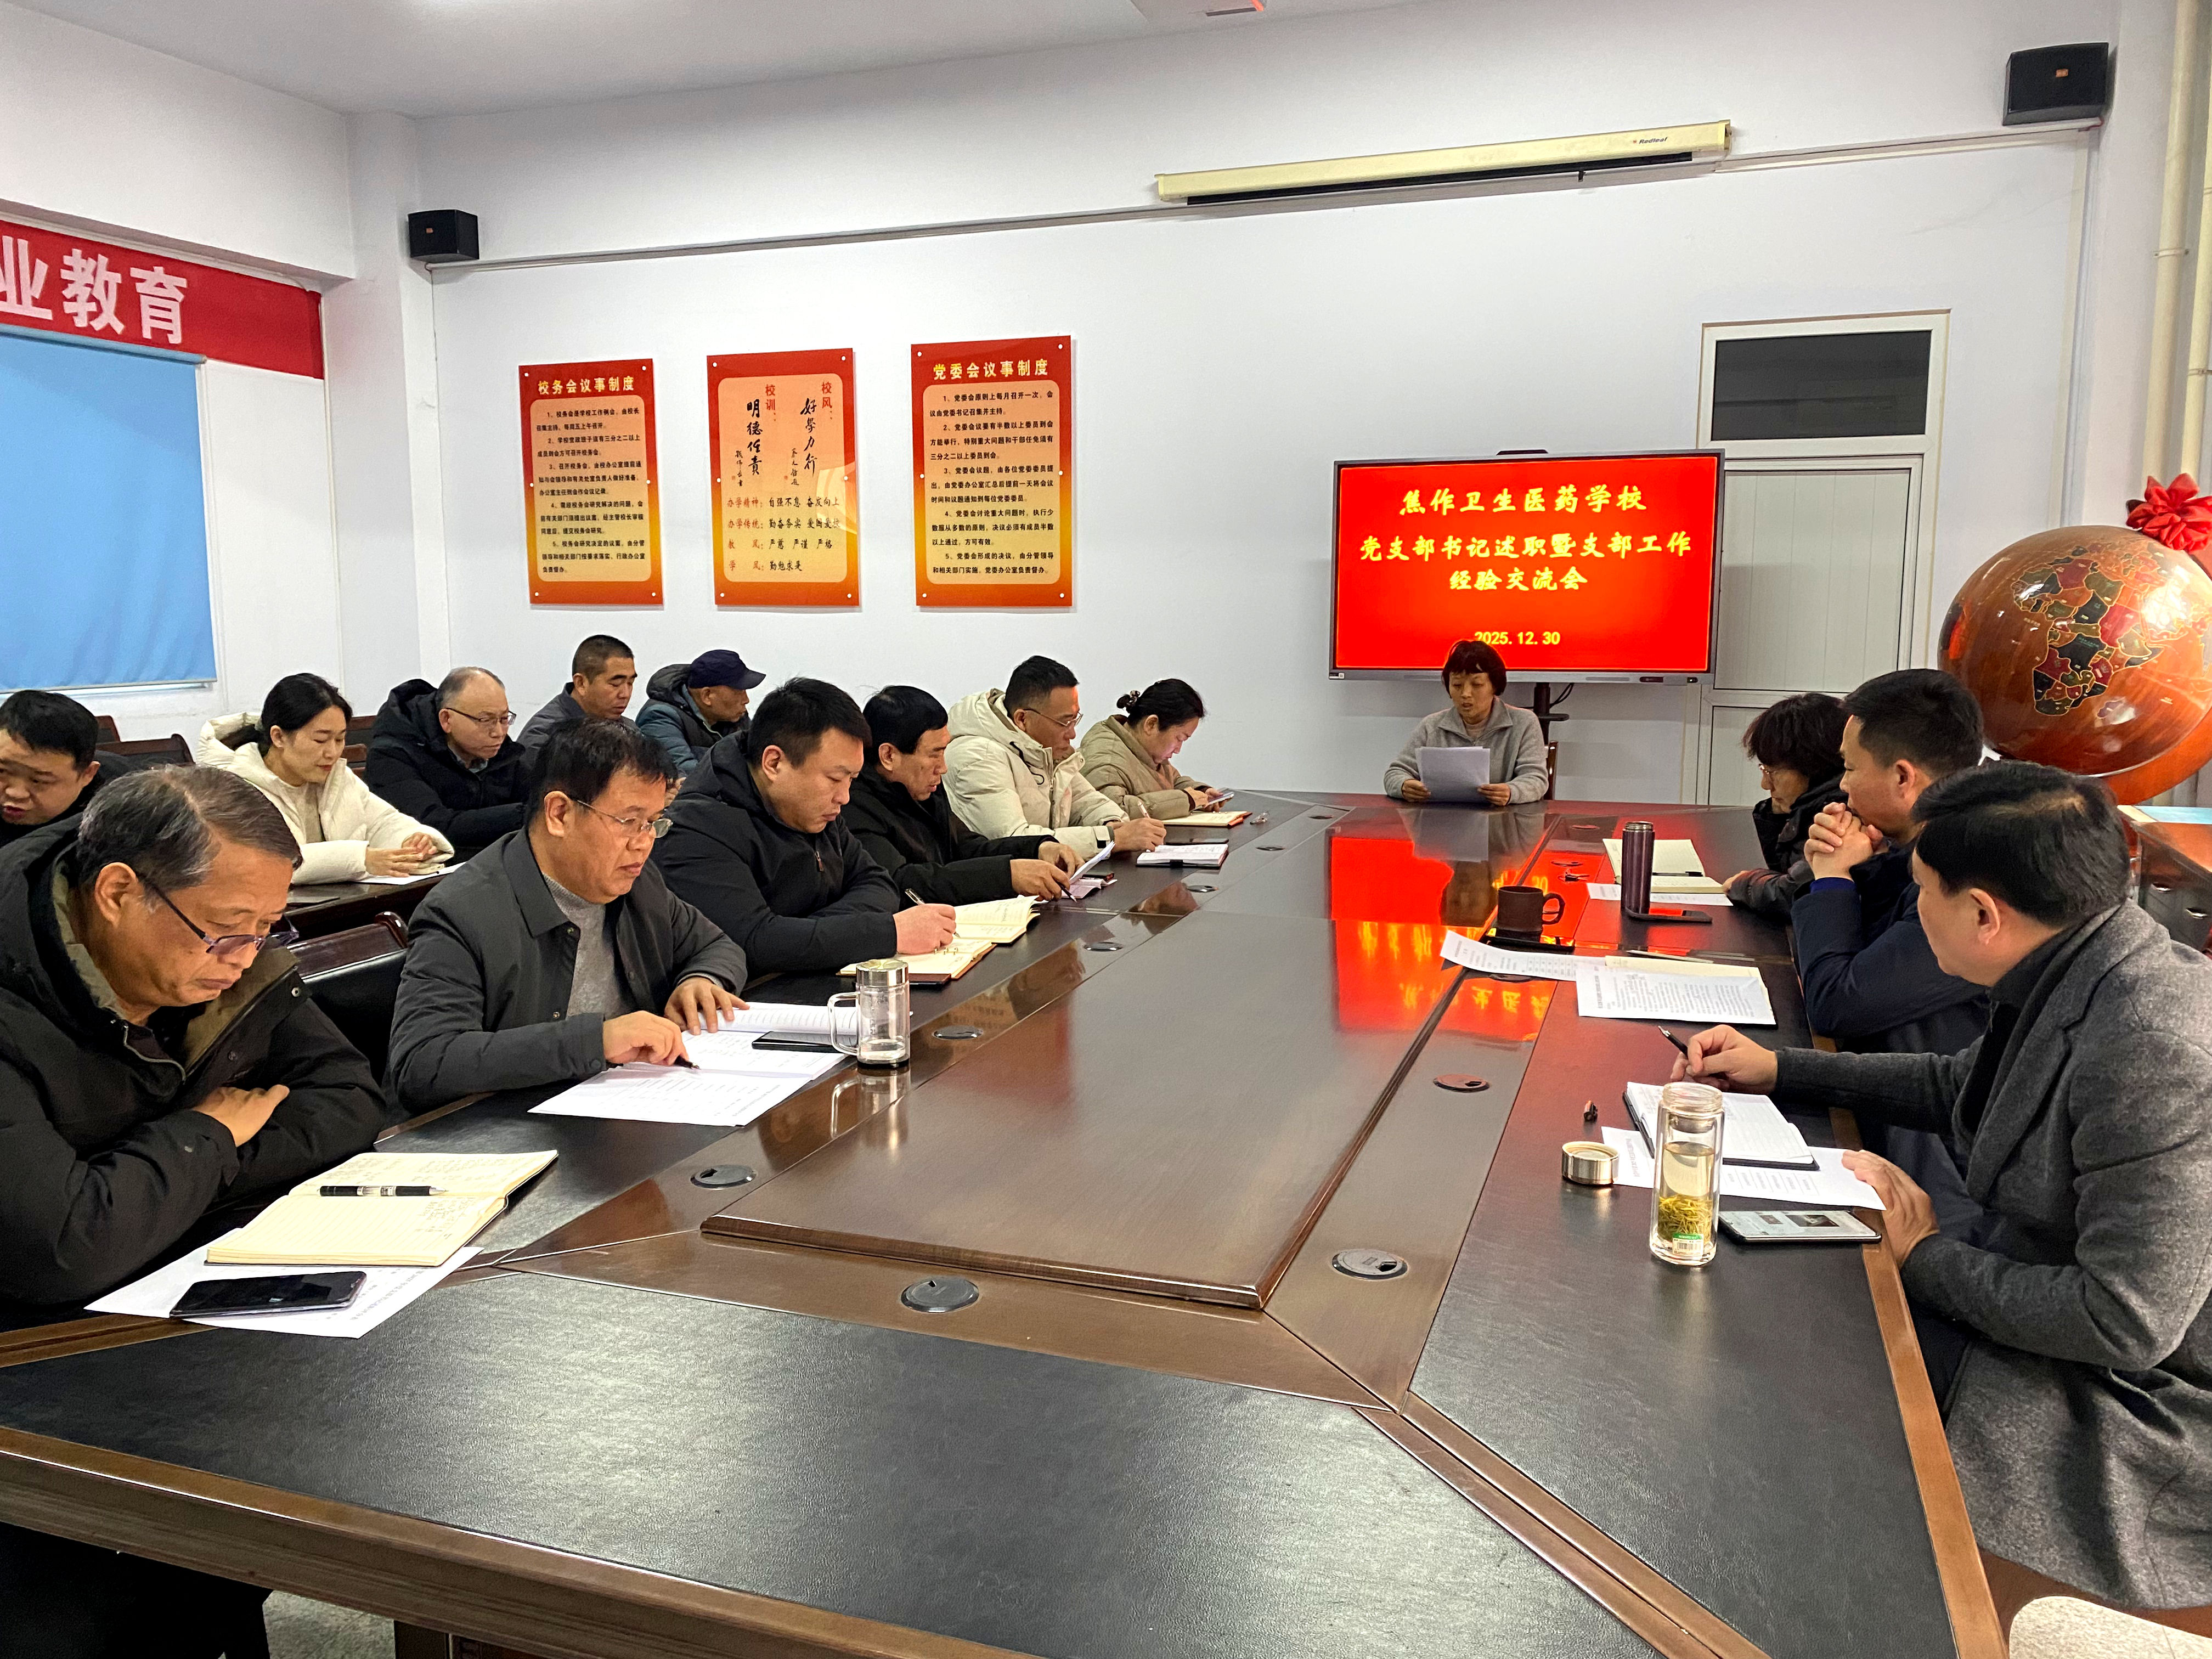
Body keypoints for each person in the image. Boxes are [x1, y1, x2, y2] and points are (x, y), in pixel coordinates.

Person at [1671, 763, 2212, 1612]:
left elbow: (2124, 1321)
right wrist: (1780, 1068)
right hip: (2053, 1323)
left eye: (1923, 891)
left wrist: (1924, 1257)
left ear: (1985, 914)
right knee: (1792, 1316)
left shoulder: (2152, 1049)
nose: (1914, 909)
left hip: (2132, 1408)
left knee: (1807, 1358)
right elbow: (1963, 1085)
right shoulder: (2081, 960)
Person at [0, 765, 385, 1654]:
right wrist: (203, 1135)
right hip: (37, 1383)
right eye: (225, 930)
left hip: (176, 1325)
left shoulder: (227, 961)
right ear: (116, 892)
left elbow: (351, 1098)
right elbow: (65, 1244)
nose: (245, 956)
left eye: (267, 928)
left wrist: (164, 1173)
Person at [387, 720, 750, 1110]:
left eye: (653, 823)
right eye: (629, 822)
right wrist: (595, 1041)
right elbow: (423, 1063)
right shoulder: (461, 912)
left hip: (641, 1102)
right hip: (522, 1125)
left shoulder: (636, 883)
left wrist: (702, 979)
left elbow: (716, 945)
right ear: (559, 813)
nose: (644, 843)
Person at [658, 678, 958, 973]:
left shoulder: (817, 808)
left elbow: (878, 883)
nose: (845, 797)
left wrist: (806, 934)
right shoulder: (697, 829)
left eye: (852, 779)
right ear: (774, 763)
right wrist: (886, 933)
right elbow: (752, 944)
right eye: (835, 779)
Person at [1793, 669, 1987, 1057]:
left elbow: (1837, 1005)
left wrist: (1833, 877)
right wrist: (1859, 866)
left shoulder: (1966, 876)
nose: (1843, 785)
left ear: (1902, 778)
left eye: (1850, 768)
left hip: (1917, 1090)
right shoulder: (1927, 843)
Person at [198, 674, 452, 886]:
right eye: (320, 740)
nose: (333, 752)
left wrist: (412, 840)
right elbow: (279, 861)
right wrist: (363, 859)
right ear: (279, 737)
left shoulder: (336, 777)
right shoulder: (237, 788)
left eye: (340, 739)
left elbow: (382, 821)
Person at [847, 685, 1081, 904]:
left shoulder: (925, 789)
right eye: (934, 754)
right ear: (889, 756)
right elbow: (901, 882)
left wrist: (1037, 848)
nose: (943, 768)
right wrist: (1007, 876)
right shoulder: (853, 805)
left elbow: (966, 848)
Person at [943, 657, 1167, 859]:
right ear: (1022, 719)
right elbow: (1014, 840)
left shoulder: (1044, 748)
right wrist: (1110, 839)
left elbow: (1089, 802)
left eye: (1075, 719)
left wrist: (1112, 823)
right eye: (1064, 722)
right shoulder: (977, 757)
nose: (1073, 733)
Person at [363, 667, 532, 859]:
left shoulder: (500, 750)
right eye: (486, 720)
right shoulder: (393, 754)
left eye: (504, 719)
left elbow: (539, 797)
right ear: (447, 719)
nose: (499, 732)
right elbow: (433, 827)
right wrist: (526, 815)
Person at [1722, 692, 1848, 919]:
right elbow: (1781, 870)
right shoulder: (1811, 806)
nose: (1765, 784)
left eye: (1772, 772)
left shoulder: (1840, 814)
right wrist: (1776, 816)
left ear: (1813, 764)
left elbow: (1795, 893)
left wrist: (1745, 884)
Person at [1383, 639, 1549, 805]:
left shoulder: (1524, 723)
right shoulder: (1431, 726)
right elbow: (1395, 773)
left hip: (1503, 818)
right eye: (1457, 685)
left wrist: (1511, 791)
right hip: (1440, 818)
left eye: (1477, 685)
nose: (1466, 694)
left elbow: (1536, 779)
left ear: (1495, 686)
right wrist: (1404, 785)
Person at [1079, 679, 1227, 820]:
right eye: (1179, 738)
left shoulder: (1144, 749)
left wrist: (1200, 792)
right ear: (1151, 725)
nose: (1178, 750)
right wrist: (1186, 800)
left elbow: (1172, 782)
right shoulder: (1108, 760)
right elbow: (1113, 811)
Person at [0, 689, 111, 850]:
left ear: (87, 774)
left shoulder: (121, 822)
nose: (15, 793)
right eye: (2, 771)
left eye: (39, 780)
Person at [639, 648, 765, 777]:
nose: (746, 700)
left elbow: (763, 759)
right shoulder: (659, 718)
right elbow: (687, 776)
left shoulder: (734, 716)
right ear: (707, 696)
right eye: (738, 692)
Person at [518, 634, 639, 757]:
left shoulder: (629, 730)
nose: (626, 694)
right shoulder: (543, 738)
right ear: (581, 683)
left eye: (631, 683)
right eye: (615, 684)